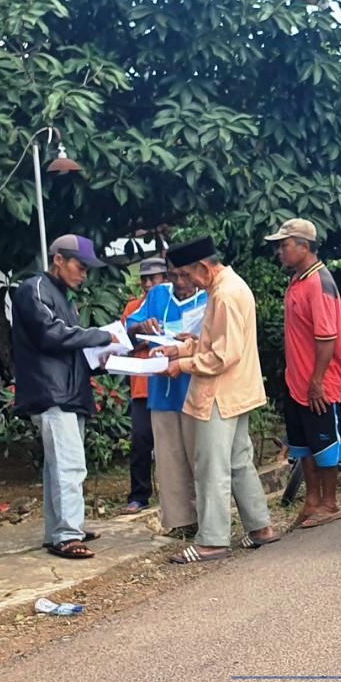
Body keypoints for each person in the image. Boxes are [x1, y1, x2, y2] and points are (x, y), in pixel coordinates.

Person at [156, 236, 278, 563]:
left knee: (211, 467)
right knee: (239, 461)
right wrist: (181, 348)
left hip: (219, 395)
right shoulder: (228, 287)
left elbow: (222, 356)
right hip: (237, 391)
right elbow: (216, 343)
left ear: (204, 267)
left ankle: (212, 540)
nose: (186, 283)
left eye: (187, 275)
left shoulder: (223, 295)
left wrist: (180, 365)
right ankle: (260, 527)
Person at [12, 235, 116, 559]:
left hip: (67, 392)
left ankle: (60, 530)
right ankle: (68, 535)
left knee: (58, 467)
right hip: (51, 392)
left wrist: (100, 360)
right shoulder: (35, 289)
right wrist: (101, 335)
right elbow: (50, 335)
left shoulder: (61, 297)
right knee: (69, 467)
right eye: (80, 266)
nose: (84, 274)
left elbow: (69, 348)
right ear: (58, 259)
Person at [266, 218, 341, 530]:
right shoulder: (298, 280)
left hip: (318, 382)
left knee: (325, 444)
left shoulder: (320, 282)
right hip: (296, 380)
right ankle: (312, 499)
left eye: (284, 245)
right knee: (304, 445)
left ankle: (329, 502)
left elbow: (326, 339)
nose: (280, 252)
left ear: (304, 246)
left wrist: (316, 382)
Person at [127, 257, 208, 536]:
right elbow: (130, 328)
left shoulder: (208, 296)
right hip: (161, 391)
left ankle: (209, 521)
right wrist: (141, 327)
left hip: (196, 388)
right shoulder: (158, 295)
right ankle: (181, 521)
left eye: (184, 276)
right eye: (173, 277)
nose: (180, 284)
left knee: (200, 457)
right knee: (169, 459)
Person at [118, 257, 168, 514]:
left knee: (170, 443)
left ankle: (172, 495)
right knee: (140, 440)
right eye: (145, 279)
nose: (148, 283)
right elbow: (125, 341)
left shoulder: (171, 304)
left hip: (167, 383)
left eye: (154, 278)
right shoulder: (133, 307)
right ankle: (138, 495)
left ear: (165, 279)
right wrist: (141, 332)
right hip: (141, 386)